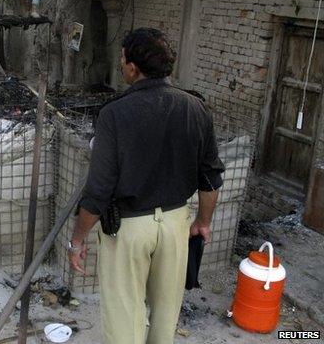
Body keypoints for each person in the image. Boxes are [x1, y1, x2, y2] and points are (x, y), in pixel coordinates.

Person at [68, 28, 225, 344]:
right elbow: (210, 178)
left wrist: (78, 238)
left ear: (132, 68)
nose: (123, 64)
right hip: (176, 224)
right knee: (166, 315)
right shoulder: (197, 108)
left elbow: (98, 189)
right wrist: (203, 222)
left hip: (128, 230)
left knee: (126, 317)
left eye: (123, 58)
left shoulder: (114, 114)